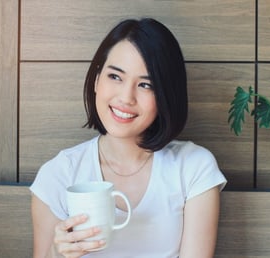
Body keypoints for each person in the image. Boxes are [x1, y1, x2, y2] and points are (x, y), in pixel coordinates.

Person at [30, 18, 227, 258]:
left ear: (165, 95)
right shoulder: (58, 174)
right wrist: (56, 252)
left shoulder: (193, 167)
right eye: (115, 77)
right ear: (96, 80)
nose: (126, 97)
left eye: (145, 85)